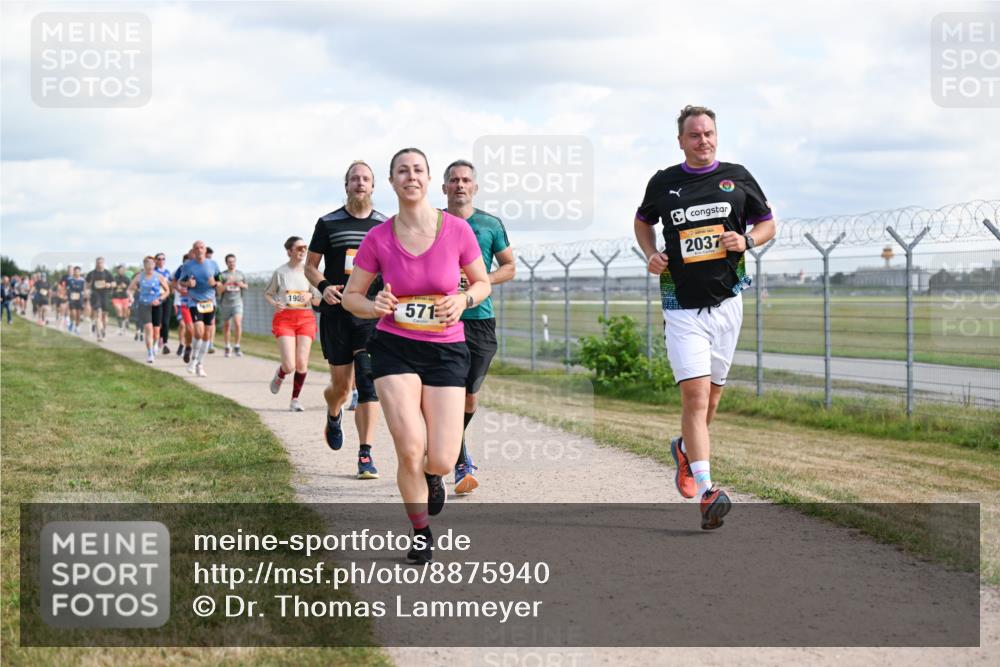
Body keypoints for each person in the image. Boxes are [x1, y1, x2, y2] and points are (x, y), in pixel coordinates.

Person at [343, 147, 490, 564]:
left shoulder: (458, 231)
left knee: (440, 457)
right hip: (395, 348)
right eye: (402, 171)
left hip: (445, 350)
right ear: (391, 182)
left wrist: (463, 299)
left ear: (429, 180)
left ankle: (432, 477)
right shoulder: (378, 238)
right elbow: (352, 296)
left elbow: (483, 284)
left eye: (418, 170)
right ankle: (421, 530)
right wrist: (374, 307)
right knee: (410, 446)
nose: (411, 176)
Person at [634, 105, 776, 530]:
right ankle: (708, 489)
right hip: (681, 306)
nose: (703, 141)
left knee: (712, 399)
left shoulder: (738, 176)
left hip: (728, 302)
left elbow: (768, 223)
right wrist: (650, 254)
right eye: (694, 135)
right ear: (681, 140)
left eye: (709, 133)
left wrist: (746, 239)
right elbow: (643, 222)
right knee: (694, 399)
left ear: (717, 135)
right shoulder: (664, 182)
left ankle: (684, 450)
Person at [305, 160, 387, 480]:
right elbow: (311, 267)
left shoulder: (385, 226)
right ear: (346, 185)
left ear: (373, 186)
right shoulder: (328, 223)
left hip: (369, 313)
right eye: (355, 178)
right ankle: (334, 411)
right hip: (337, 313)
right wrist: (323, 287)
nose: (360, 183)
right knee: (341, 387)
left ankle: (365, 454)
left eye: (366, 179)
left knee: (368, 383)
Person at [442, 160, 516, 495]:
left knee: (470, 396)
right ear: (444, 188)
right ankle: (460, 462)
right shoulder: (433, 222)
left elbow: (510, 266)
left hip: (480, 320)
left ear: (475, 187)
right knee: (451, 394)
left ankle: (445, 444)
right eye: (453, 180)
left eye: (466, 180)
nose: (460, 185)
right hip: (442, 319)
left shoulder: (489, 224)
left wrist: (478, 282)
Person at [265, 237, 322, 412]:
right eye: (299, 248)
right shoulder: (280, 272)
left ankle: (295, 399)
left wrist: (310, 297)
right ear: (289, 251)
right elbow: (268, 293)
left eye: (305, 248)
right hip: (285, 319)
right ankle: (281, 374)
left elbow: (319, 301)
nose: (303, 251)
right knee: (290, 365)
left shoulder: (310, 272)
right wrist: (275, 303)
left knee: (302, 362)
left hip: (305, 318)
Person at [179, 241, 218, 377]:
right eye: (197, 248)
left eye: (201, 247)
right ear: (193, 251)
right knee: (199, 331)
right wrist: (188, 283)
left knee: (207, 334)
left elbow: (219, 281)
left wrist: (215, 283)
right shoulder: (188, 266)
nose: (199, 250)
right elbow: (181, 281)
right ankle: (193, 360)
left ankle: (199, 364)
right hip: (195, 302)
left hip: (210, 302)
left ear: (205, 250)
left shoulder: (213, 264)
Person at [127, 256, 172, 363]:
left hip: (157, 305)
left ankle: (155, 344)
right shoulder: (139, 277)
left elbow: (167, 291)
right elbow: (130, 289)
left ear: (154, 265)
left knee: (156, 332)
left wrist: (160, 299)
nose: (150, 265)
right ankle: (150, 353)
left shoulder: (159, 277)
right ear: (144, 265)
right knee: (148, 329)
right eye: (147, 263)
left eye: (151, 263)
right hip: (144, 305)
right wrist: (131, 297)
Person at [217, 253, 248, 357]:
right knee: (227, 326)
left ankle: (237, 346)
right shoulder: (222, 275)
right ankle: (227, 347)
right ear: (226, 263)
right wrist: (227, 283)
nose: (232, 263)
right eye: (230, 262)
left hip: (237, 303)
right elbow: (219, 290)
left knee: (238, 323)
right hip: (225, 304)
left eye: (233, 261)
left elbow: (246, 286)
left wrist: (241, 284)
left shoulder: (240, 274)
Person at [85, 257, 114, 342]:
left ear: (103, 263)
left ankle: (103, 330)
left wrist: (109, 284)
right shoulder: (91, 274)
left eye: (101, 263)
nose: (99, 264)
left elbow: (114, 283)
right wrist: (87, 290)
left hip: (105, 295)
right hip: (95, 295)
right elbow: (86, 284)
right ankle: (99, 334)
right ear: (95, 263)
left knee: (104, 315)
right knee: (98, 314)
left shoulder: (107, 273)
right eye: (98, 263)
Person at [173, 252, 194, 361]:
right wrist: (180, 289)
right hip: (181, 302)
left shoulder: (198, 269)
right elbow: (174, 282)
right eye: (186, 260)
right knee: (183, 324)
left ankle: (188, 345)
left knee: (193, 328)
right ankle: (182, 344)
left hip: (195, 302)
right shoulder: (180, 270)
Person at [153, 253, 174, 354]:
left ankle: (165, 343)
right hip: (156, 299)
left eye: (163, 259)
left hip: (166, 299)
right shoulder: (153, 272)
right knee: (157, 323)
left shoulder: (167, 272)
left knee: (165, 322)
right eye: (159, 259)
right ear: (155, 261)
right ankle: (155, 342)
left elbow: (171, 284)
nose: (161, 261)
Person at [111, 265, 132, 334]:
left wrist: (126, 286)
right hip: (116, 297)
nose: (121, 271)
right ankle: (120, 328)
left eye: (122, 270)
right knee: (119, 311)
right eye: (119, 270)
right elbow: (111, 287)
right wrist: (114, 286)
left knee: (125, 313)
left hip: (125, 297)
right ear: (117, 271)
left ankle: (125, 323)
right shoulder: (114, 278)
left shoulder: (127, 279)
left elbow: (131, 288)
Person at [66, 266, 86, 334]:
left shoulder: (82, 280)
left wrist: (85, 296)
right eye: (75, 271)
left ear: (80, 272)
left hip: (79, 298)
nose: (77, 272)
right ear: (73, 272)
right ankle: (72, 323)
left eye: (78, 271)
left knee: (78, 314)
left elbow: (84, 289)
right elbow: (67, 288)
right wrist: (67, 295)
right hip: (72, 298)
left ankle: (77, 327)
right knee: (73, 313)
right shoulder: (69, 279)